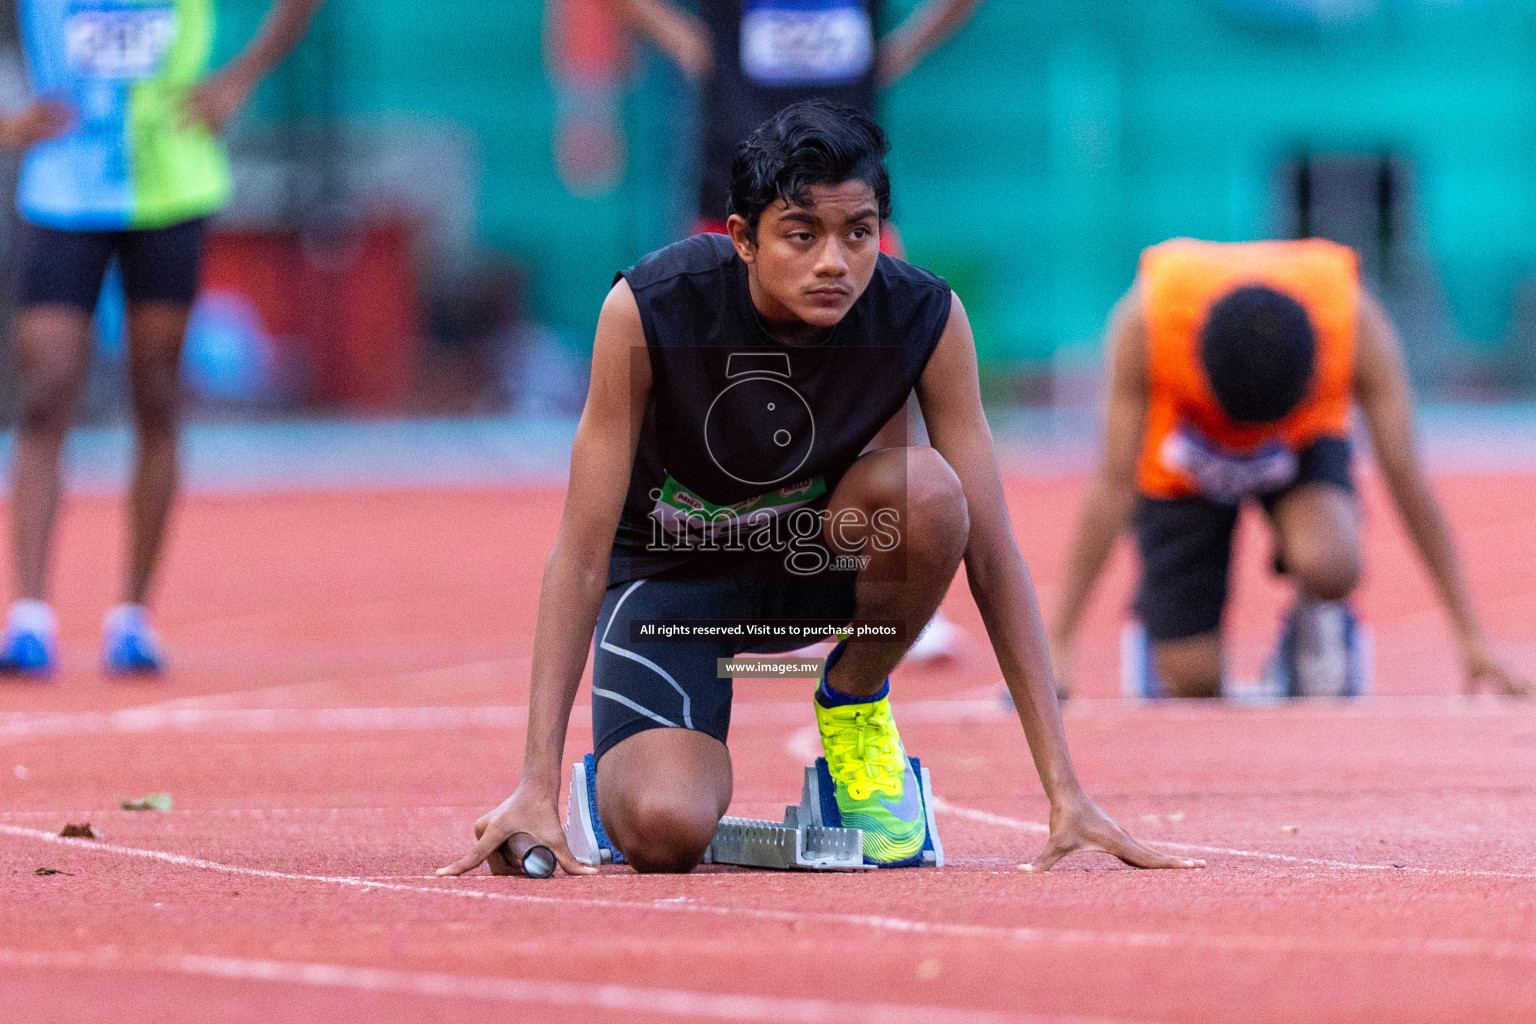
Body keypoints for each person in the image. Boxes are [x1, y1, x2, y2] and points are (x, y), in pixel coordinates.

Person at [438, 101, 1200, 876]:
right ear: (742, 238)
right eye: (802, 235)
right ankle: (623, 773)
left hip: (814, 570)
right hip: (670, 590)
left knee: (933, 495)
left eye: (857, 233)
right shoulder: (648, 309)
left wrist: (1064, 790)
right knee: (666, 834)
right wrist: (533, 780)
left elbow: (994, 552)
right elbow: (579, 552)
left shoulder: (924, 317)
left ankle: (854, 704)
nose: (834, 261)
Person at [1049, 237, 1531, 700]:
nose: (1248, 449)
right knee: (1193, 683)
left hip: (1299, 445)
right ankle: (1160, 620)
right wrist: (1058, 642)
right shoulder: (1145, 325)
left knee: (1333, 562)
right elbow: (1112, 484)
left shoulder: (1355, 324)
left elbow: (1405, 474)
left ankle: (1315, 625)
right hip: (1183, 456)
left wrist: (1471, 637)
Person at [0, 0, 323, 676]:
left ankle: (133, 618)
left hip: (171, 185)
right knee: (46, 387)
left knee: (154, 390)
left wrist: (239, 78)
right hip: (63, 187)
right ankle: (28, 615)